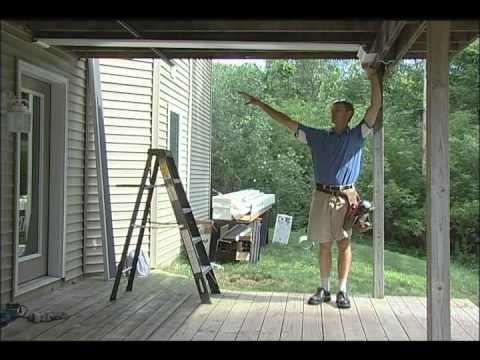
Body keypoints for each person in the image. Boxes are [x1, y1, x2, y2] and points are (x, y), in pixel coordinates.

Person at [239, 63, 381, 309]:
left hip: (347, 198)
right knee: (324, 244)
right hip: (321, 195)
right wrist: (260, 104)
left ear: (348, 114)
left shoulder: (358, 135)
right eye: (332, 110)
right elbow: (287, 122)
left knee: (344, 243)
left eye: (337, 110)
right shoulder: (317, 136)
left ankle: (342, 291)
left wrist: (373, 77)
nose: (333, 113)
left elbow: (375, 106)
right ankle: (324, 289)